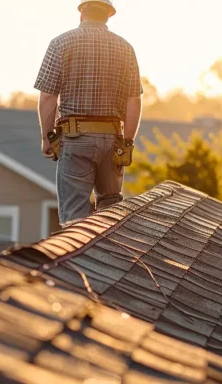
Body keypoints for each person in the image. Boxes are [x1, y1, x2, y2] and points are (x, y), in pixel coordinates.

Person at [34, 0, 143, 228]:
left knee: (75, 220)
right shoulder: (125, 48)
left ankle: (77, 264)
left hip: (75, 141)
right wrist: (127, 142)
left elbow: (47, 97)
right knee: (111, 216)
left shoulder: (60, 43)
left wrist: (47, 137)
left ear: (82, 13)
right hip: (113, 140)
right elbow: (134, 99)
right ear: (109, 16)